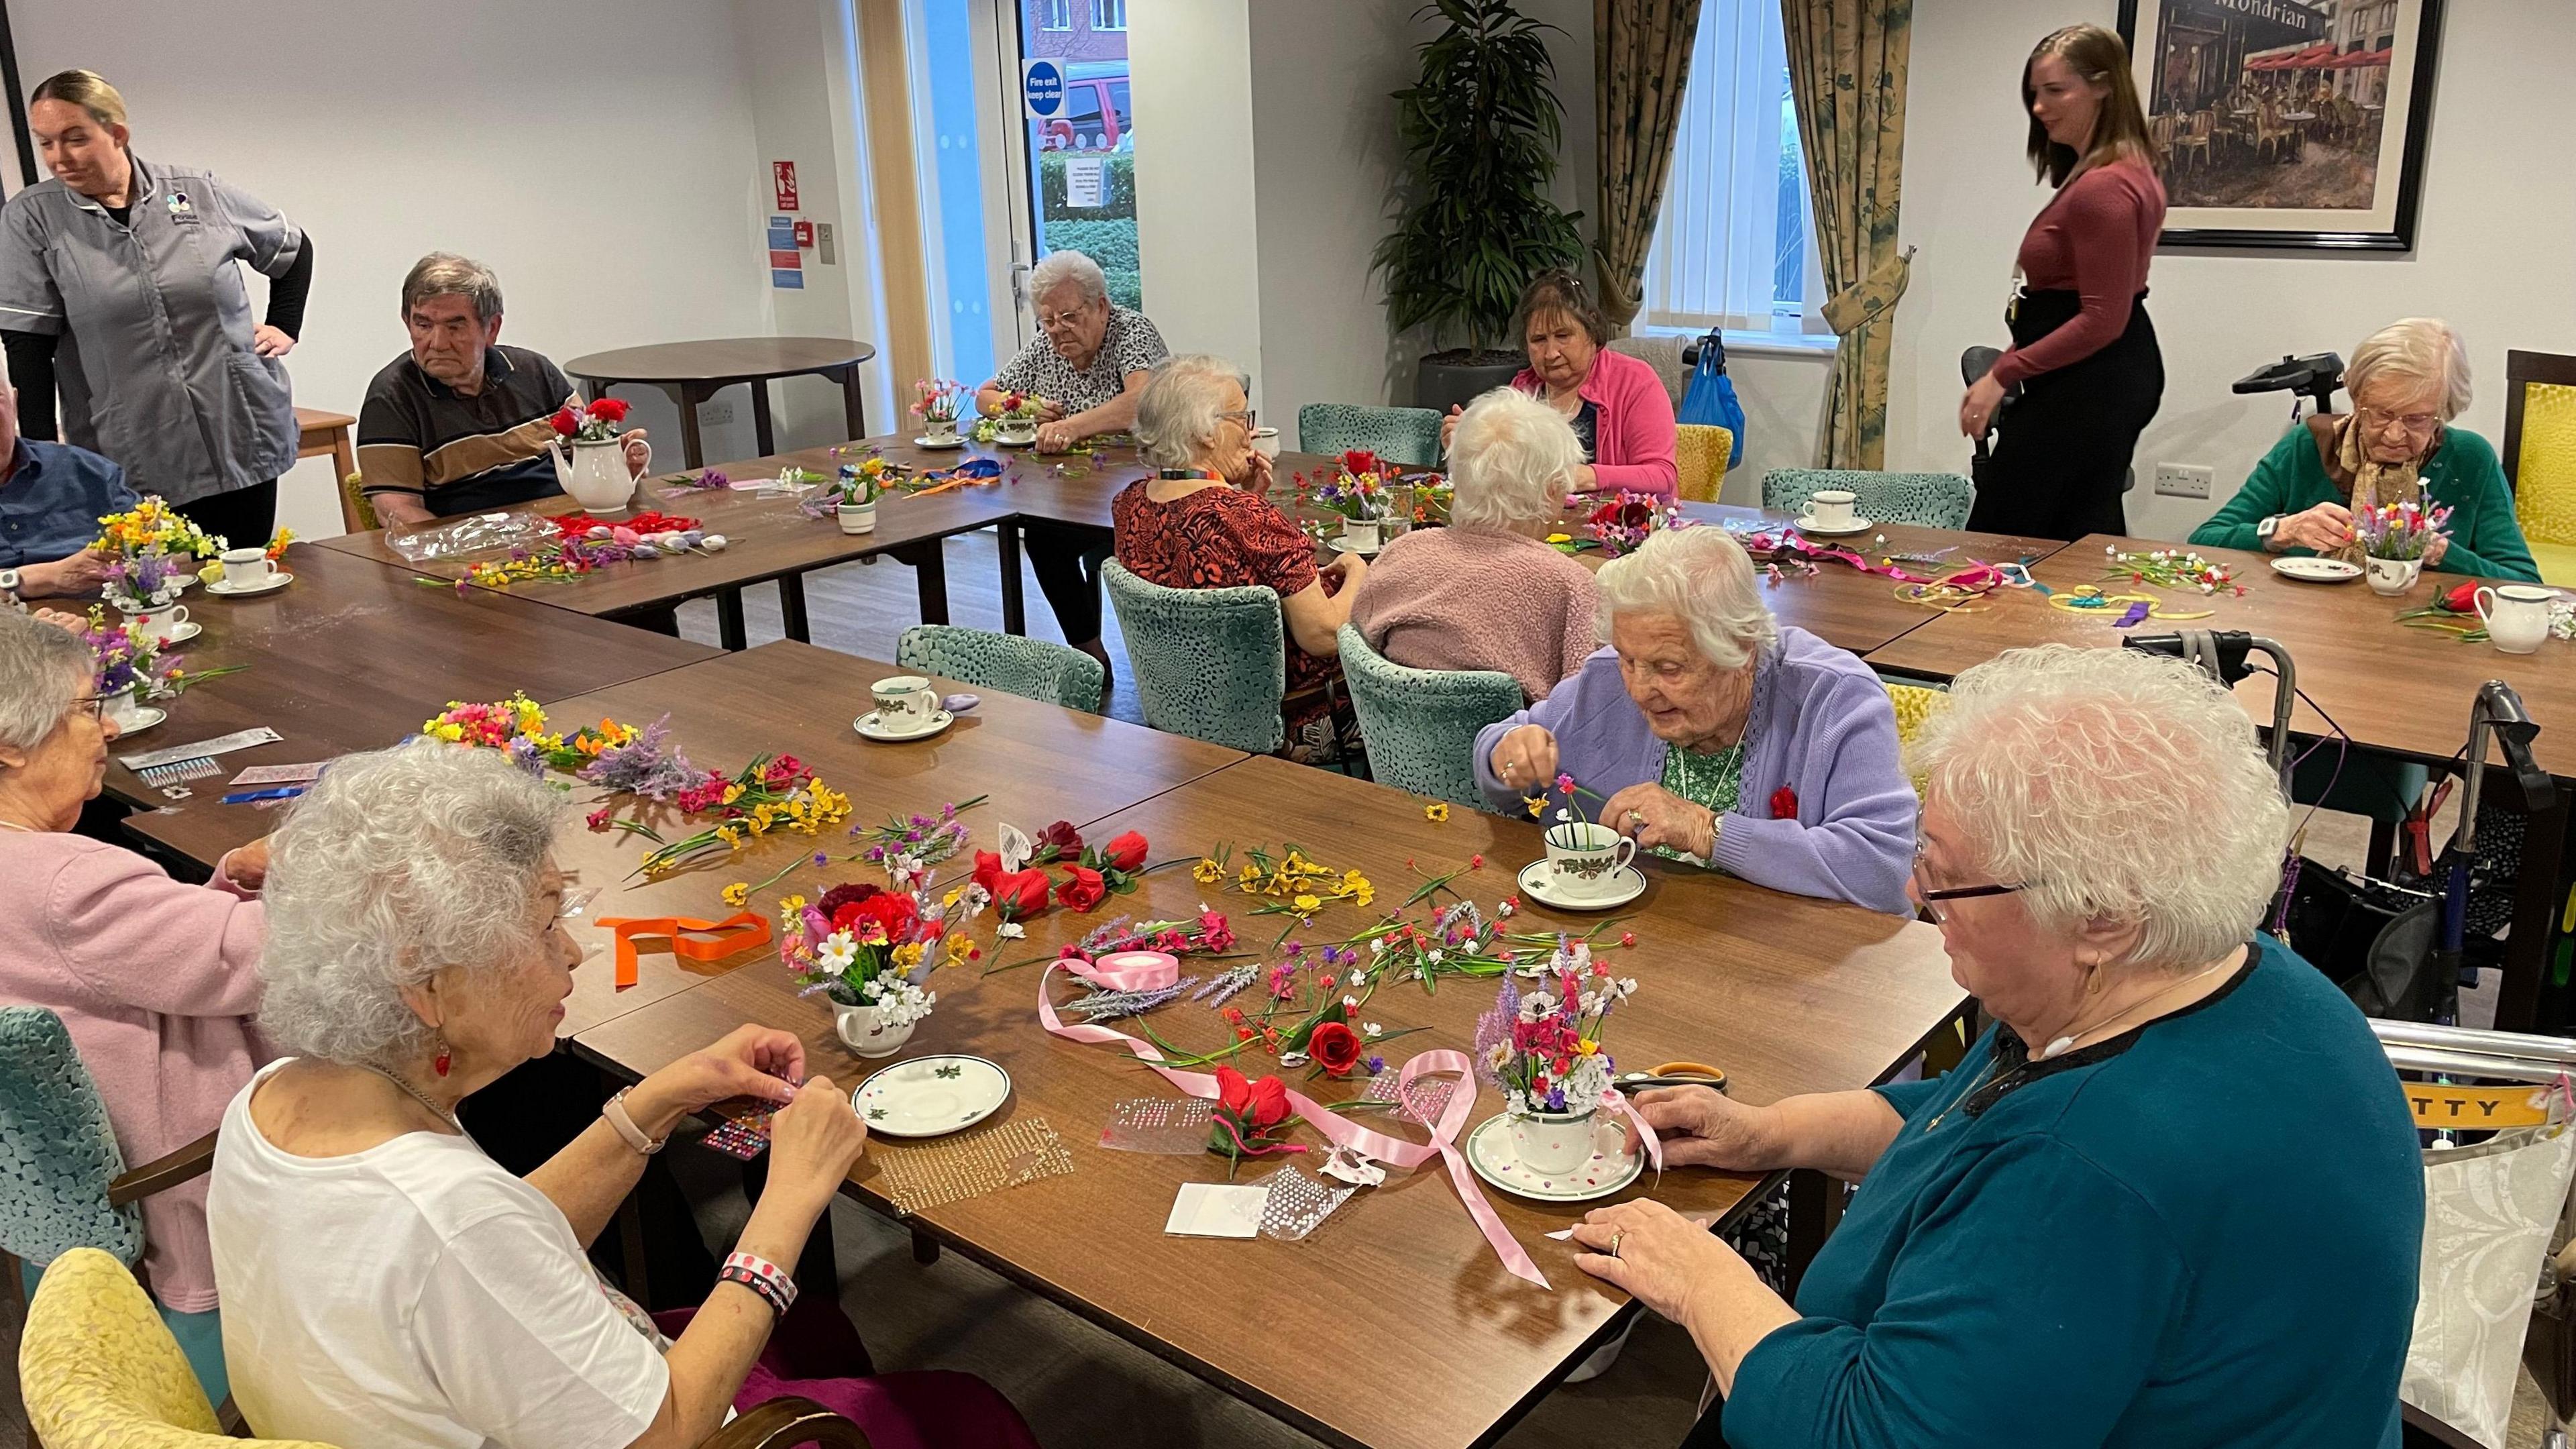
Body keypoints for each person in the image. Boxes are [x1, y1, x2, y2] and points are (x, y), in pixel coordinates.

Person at [1568, 645, 2423, 1448]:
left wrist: (1701, 1282)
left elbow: (1871, 1435)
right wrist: (1777, 1131)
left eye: (1943, 871)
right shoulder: (2204, 970)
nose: (1914, 889)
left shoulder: (2090, 1174)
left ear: (2100, 916)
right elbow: (1969, 1111)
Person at [209, 742, 1038, 1449]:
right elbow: (667, 1427)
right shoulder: (451, 1221)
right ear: (429, 987)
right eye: (540, 928)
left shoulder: (272, 1099)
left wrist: (659, 1101)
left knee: (816, 1331)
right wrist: (789, 1199)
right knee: (971, 1412)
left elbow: (492, 1255)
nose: (571, 953)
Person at [0, 608, 268, 1404]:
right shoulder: (64, 882)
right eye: (87, 708)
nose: (108, 728)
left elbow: (135, 955)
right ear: (10, 744)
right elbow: (262, 960)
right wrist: (311, 870)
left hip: (40, 1180)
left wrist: (225, 886)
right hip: (169, 1183)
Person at [1473, 527, 1914, 914]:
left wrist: (1708, 831)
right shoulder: (1606, 679)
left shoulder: (1835, 698)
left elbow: (1882, 869)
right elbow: (1501, 750)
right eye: (1629, 659)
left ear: (1741, 652)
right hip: (1645, 953)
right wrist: (1507, 754)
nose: (1639, 688)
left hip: (1800, 975)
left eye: (1669, 668)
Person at [0, 70, 310, 546]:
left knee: (248, 583)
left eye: (75, 139)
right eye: (46, 144)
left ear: (117, 134)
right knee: (160, 597)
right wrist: (43, 457)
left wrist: (285, 325)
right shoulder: (32, 219)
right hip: (131, 454)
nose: (58, 159)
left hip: (238, 431)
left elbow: (292, 249)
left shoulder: (196, 192)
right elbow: (27, 345)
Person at [1960, 26, 2166, 542]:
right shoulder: (2106, 171)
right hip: (2095, 374)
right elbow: (2071, 304)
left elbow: (2102, 318)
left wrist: (2001, 372)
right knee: (2074, 533)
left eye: (2056, 91)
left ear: (2103, 86)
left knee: (2004, 536)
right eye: (2035, 93)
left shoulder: (2105, 187)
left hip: (2095, 378)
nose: (2039, 107)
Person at [1114, 354, 1362, 764]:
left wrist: (1242, 495)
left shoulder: (1129, 506)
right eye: (1241, 418)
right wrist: (1357, 568)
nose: (1251, 433)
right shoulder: (1247, 520)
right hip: (1293, 721)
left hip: (1185, 713)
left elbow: (1206, 557)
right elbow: (1322, 636)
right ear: (1206, 433)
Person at [2193, 318, 2538, 581]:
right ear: (2358, 399)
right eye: (2382, 413)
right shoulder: (2310, 444)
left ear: (2445, 412)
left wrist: (2441, 552)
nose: (2393, 434)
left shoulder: (2470, 457)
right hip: (2315, 628)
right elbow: (2205, 540)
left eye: (2417, 419)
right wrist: (2284, 531)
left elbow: (2526, 582)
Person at [979, 250, 1168, 682]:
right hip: (1078, 494)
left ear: (1100, 305)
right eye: (1047, 320)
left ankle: (1161, 668)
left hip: (1145, 485)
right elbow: (986, 396)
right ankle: (1090, 657)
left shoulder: (1131, 331)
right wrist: (1028, 406)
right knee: (1043, 539)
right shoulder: (1047, 347)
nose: (1058, 331)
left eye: (1068, 316)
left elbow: (1142, 400)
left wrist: (1072, 426)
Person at [357, 253, 651, 527]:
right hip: (474, 549)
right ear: (407, 321)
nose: (437, 343)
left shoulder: (535, 371)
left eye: (455, 327)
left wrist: (616, 466)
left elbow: (583, 461)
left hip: (567, 529)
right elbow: (397, 512)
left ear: (492, 328)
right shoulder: (392, 397)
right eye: (423, 325)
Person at [1350, 387, 1598, 702]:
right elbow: (1583, 709)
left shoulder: (1401, 552)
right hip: (1511, 749)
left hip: (1392, 748)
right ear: (1552, 492)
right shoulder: (1571, 587)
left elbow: (1359, 644)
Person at [1440, 270, 1676, 498]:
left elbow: (1662, 477)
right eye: (1539, 340)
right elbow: (1503, 482)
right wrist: (1467, 451)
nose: (1551, 353)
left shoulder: (1635, 381)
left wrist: (1584, 476)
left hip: (1624, 529)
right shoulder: (1522, 389)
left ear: (1591, 329)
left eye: (1563, 336)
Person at [0, 346, 138, 607]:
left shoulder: (87, 472)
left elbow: (162, 553)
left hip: (111, 627)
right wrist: (46, 577)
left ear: (15, 402)